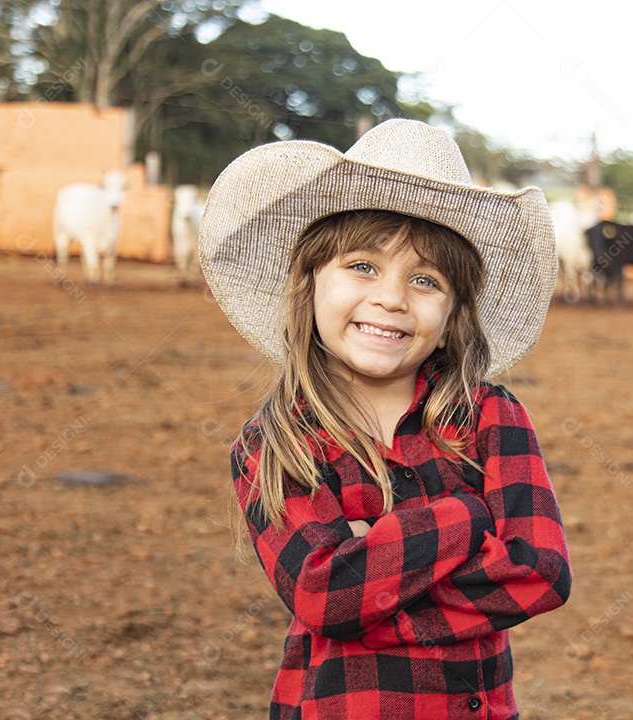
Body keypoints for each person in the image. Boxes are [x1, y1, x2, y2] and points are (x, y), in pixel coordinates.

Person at [198, 119, 572, 720]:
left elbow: (540, 569)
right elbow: (323, 594)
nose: (392, 299)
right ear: (310, 281)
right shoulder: (275, 444)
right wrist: (465, 517)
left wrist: (368, 590)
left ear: (452, 315)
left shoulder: (488, 415)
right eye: (363, 267)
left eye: (425, 280)